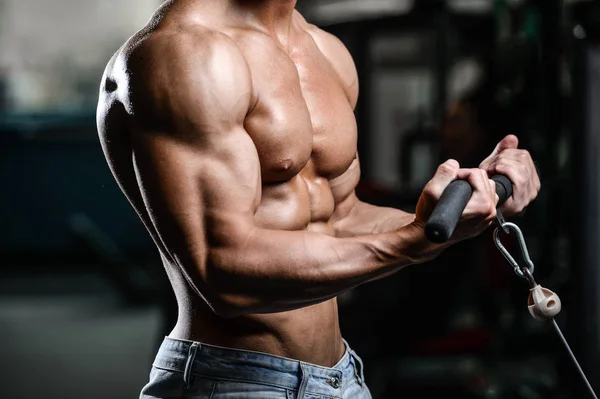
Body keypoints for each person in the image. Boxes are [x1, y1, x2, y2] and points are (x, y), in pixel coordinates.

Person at [96, 1, 541, 398]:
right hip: (234, 381)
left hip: (341, 374)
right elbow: (222, 272)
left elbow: (342, 218)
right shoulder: (182, 54)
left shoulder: (325, 52)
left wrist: (467, 209)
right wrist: (412, 244)